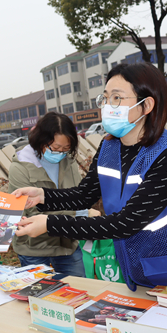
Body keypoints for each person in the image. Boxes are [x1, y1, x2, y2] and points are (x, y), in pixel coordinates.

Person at [13, 63, 167, 291]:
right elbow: (83, 195)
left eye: (117, 98)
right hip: (135, 267)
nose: (108, 106)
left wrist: (50, 224)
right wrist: (42, 196)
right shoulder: (109, 147)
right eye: (106, 98)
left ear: (147, 105)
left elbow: (126, 222)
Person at [8, 112, 100, 278]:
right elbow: (32, 213)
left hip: (67, 242)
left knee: (78, 291)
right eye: (56, 148)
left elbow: (77, 197)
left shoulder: (68, 162)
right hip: (33, 247)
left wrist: (80, 211)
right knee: (38, 294)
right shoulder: (20, 167)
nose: (60, 153)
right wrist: (81, 214)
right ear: (41, 140)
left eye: (66, 149)